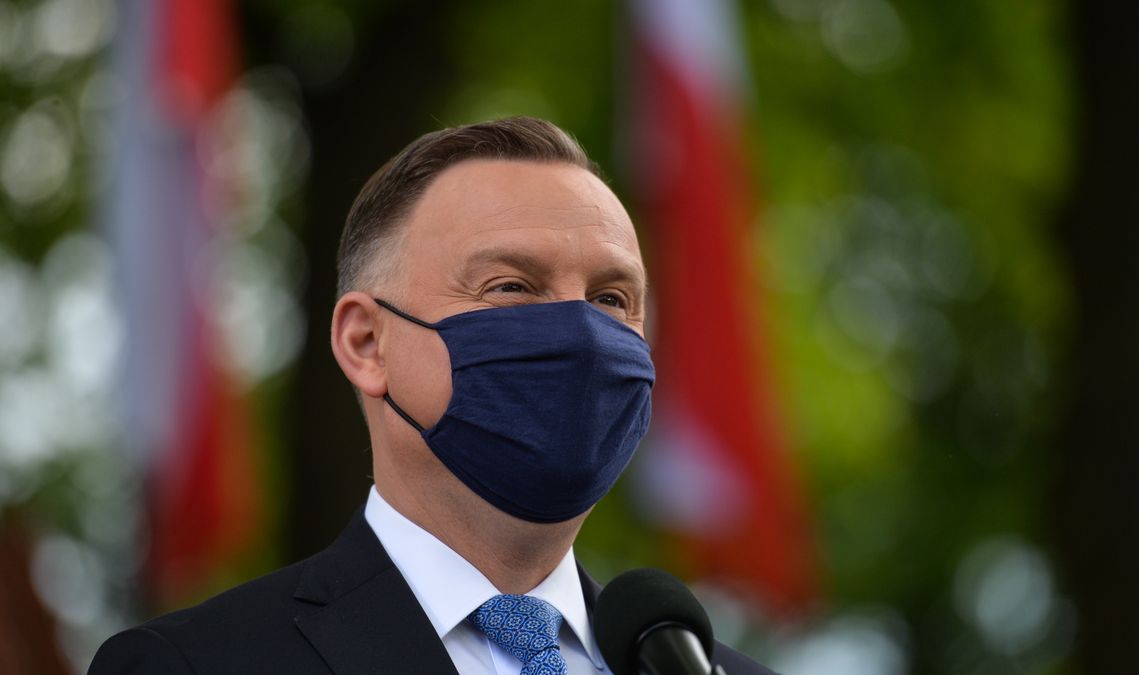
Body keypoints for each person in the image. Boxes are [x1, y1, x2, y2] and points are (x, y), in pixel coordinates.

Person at [88, 117, 776, 674]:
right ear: (366, 342)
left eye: (611, 298)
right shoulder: (195, 663)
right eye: (512, 286)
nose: (585, 335)